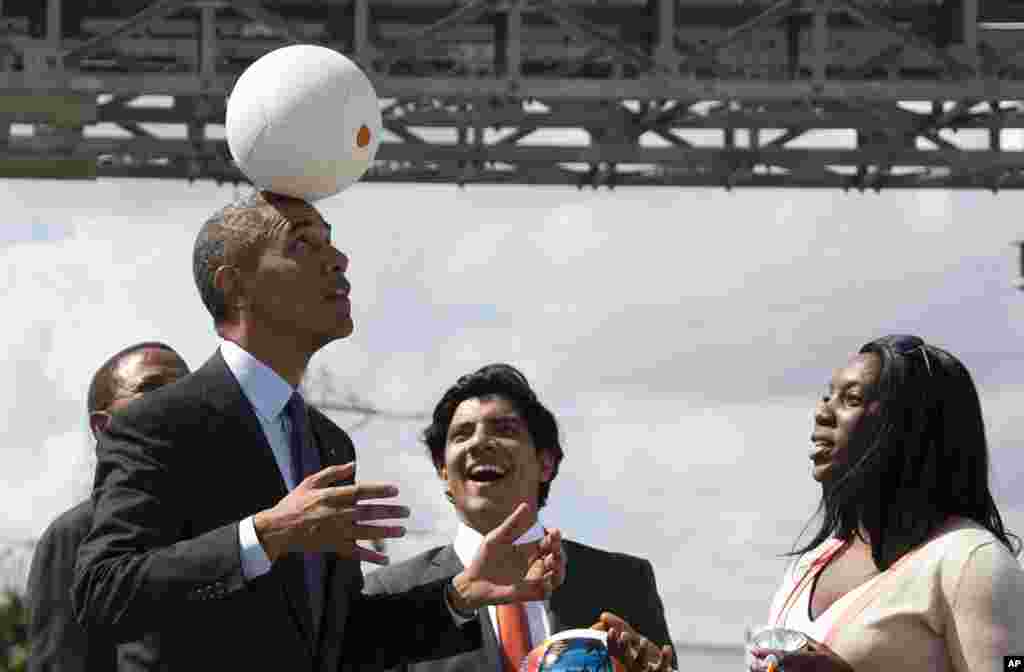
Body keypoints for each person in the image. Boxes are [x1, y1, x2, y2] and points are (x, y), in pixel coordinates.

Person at [72, 191, 565, 672]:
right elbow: (102, 592)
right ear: (235, 285)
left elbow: (340, 641)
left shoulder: (328, 442)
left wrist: (459, 594)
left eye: (332, 241)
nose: (339, 259)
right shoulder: (157, 423)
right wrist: (263, 535)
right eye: (304, 244)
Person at [359, 363, 675, 672]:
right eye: (462, 434)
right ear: (443, 469)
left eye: (504, 429)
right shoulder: (389, 593)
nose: (479, 443)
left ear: (545, 463)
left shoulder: (623, 581)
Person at [751, 335, 1024, 672]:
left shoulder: (972, 563)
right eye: (827, 396)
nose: (822, 412)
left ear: (911, 425)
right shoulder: (812, 563)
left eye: (851, 399)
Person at [27, 341, 190, 671]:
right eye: (153, 390)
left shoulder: (242, 522)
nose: (180, 400)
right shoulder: (77, 534)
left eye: (188, 387)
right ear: (104, 428)